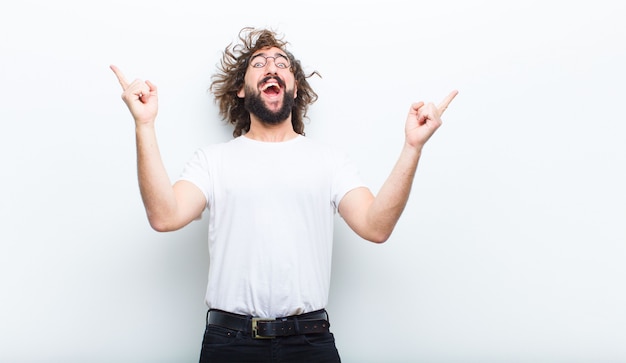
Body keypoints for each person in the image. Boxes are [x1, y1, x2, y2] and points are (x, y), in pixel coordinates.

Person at [111, 27, 457, 363]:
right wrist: (144, 124)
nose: (272, 67)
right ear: (242, 90)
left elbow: (375, 226)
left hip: (310, 341)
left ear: (294, 87)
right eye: (258, 64)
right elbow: (164, 215)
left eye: (281, 63)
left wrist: (413, 147)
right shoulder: (213, 161)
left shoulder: (330, 161)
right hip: (230, 344)